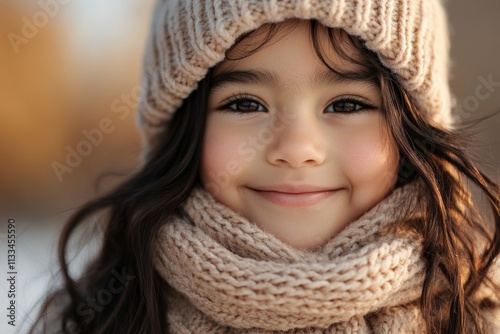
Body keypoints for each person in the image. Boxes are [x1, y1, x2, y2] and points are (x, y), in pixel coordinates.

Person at [33, 0, 500, 333]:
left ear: (413, 130)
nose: (296, 149)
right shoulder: (104, 313)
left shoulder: (476, 314)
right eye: (243, 103)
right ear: (182, 132)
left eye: (345, 104)